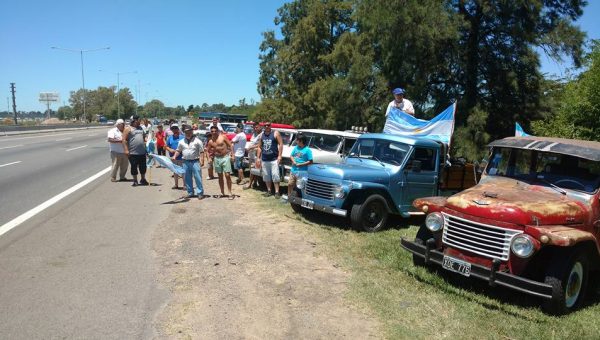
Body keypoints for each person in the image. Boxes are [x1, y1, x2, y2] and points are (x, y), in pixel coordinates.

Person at [172, 125, 205, 199]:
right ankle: (190, 192)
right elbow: (178, 150)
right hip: (185, 162)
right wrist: (174, 156)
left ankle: (200, 193)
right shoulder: (181, 142)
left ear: (192, 131)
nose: (188, 133)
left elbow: (202, 151)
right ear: (184, 132)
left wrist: (202, 160)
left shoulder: (198, 141)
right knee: (187, 178)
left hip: (195, 162)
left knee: (198, 178)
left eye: (189, 131)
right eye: (186, 132)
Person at [256, 122, 283, 198]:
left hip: (274, 159)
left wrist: (280, 156)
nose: (267, 126)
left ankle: (277, 192)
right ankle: (269, 191)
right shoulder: (262, 135)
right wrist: (258, 158)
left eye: (268, 125)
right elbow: (259, 147)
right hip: (265, 159)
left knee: (275, 175)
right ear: (263, 126)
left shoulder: (275, 133)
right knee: (266, 176)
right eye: (265, 125)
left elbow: (281, 144)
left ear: (270, 126)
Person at [206, 125, 234, 198]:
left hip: (225, 157)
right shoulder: (210, 141)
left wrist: (232, 155)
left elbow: (230, 145)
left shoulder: (223, 137)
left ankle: (230, 192)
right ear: (210, 132)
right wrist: (209, 158)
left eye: (215, 131)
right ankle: (222, 192)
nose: (214, 132)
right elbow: (207, 150)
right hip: (217, 159)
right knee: (220, 176)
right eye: (212, 131)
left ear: (218, 131)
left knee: (227, 175)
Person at [122, 115, 149, 186]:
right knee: (134, 167)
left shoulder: (140, 128)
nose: (140, 121)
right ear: (134, 121)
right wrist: (126, 150)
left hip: (142, 152)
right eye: (138, 120)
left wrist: (148, 141)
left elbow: (144, 137)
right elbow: (124, 140)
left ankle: (143, 179)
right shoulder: (128, 129)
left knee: (143, 167)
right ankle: (135, 180)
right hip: (133, 152)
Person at [287, 134, 313, 199]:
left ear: (301, 141)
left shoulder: (307, 150)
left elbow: (311, 161)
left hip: (302, 172)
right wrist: (293, 161)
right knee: (290, 184)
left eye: (297, 140)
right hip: (293, 170)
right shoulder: (296, 147)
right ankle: (289, 197)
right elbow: (291, 156)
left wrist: (301, 164)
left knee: (300, 186)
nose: (296, 141)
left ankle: (300, 199)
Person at [243, 122, 263, 190]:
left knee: (253, 169)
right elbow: (252, 142)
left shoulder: (262, 134)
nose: (255, 128)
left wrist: (251, 147)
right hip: (251, 154)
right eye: (254, 127)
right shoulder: (254, 133)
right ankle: (255, 183)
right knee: (252, 169)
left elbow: (260, 144)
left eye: (256, 127)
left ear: (260, 127)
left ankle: (250, 184)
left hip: (256, 154)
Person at [165, 123, 185, 189]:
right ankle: (176, 184)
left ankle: (185, 185)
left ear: (178, 129)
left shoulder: (182, 137)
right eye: (173, 128)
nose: (174, 129)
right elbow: (166, 146)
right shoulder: (170, 138)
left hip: (182, 157)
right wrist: (170, 149)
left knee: (183, 171)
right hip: (173, 158)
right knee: (175, 171)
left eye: (175, 128)